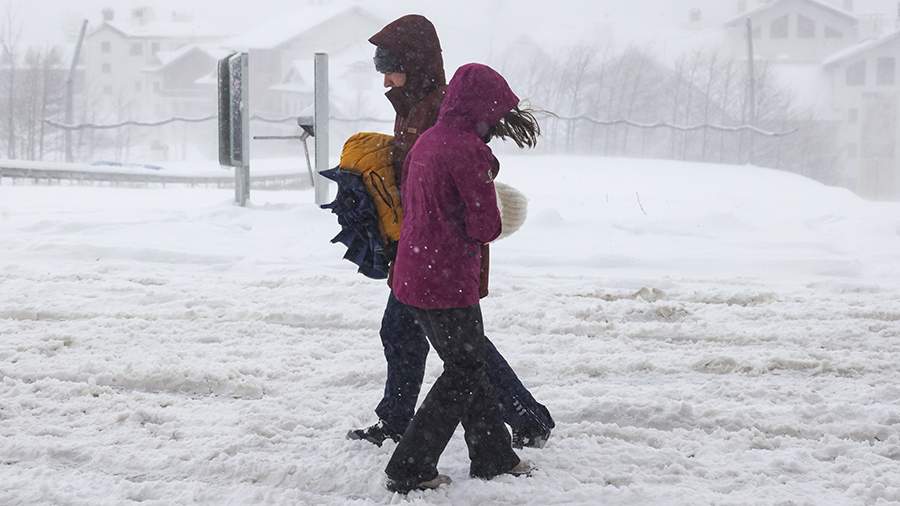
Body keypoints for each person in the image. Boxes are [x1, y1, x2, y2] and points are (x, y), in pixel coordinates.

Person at [347, 14, 554, 450]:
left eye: (390, 64)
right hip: (417, 245)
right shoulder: (412, 107)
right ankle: (509, 420)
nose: (385, 77)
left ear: (416, 62)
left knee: (455, 346)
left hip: (437, 250)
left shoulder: (439, 108)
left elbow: (471, 169)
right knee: (436, 339)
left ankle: (516, 418)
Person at [385, 62, 542, 493]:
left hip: (415, 276)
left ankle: (493, 455)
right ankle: (410, 467)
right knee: (464, 369)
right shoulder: (467, 150)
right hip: (447, 280)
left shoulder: (431, 140)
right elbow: (484, 226)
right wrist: (495, 196)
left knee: (466, 366)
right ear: (485, 109)